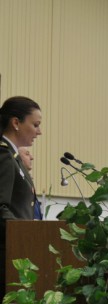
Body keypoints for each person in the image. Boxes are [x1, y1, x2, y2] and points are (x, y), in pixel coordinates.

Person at [0, 96, 42, 294]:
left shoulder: (13, 157)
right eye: (35, 125)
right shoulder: (4, 155)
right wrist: (23, 237)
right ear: (16, 123)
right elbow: (1, 207)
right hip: (7, 252)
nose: (39, 132)